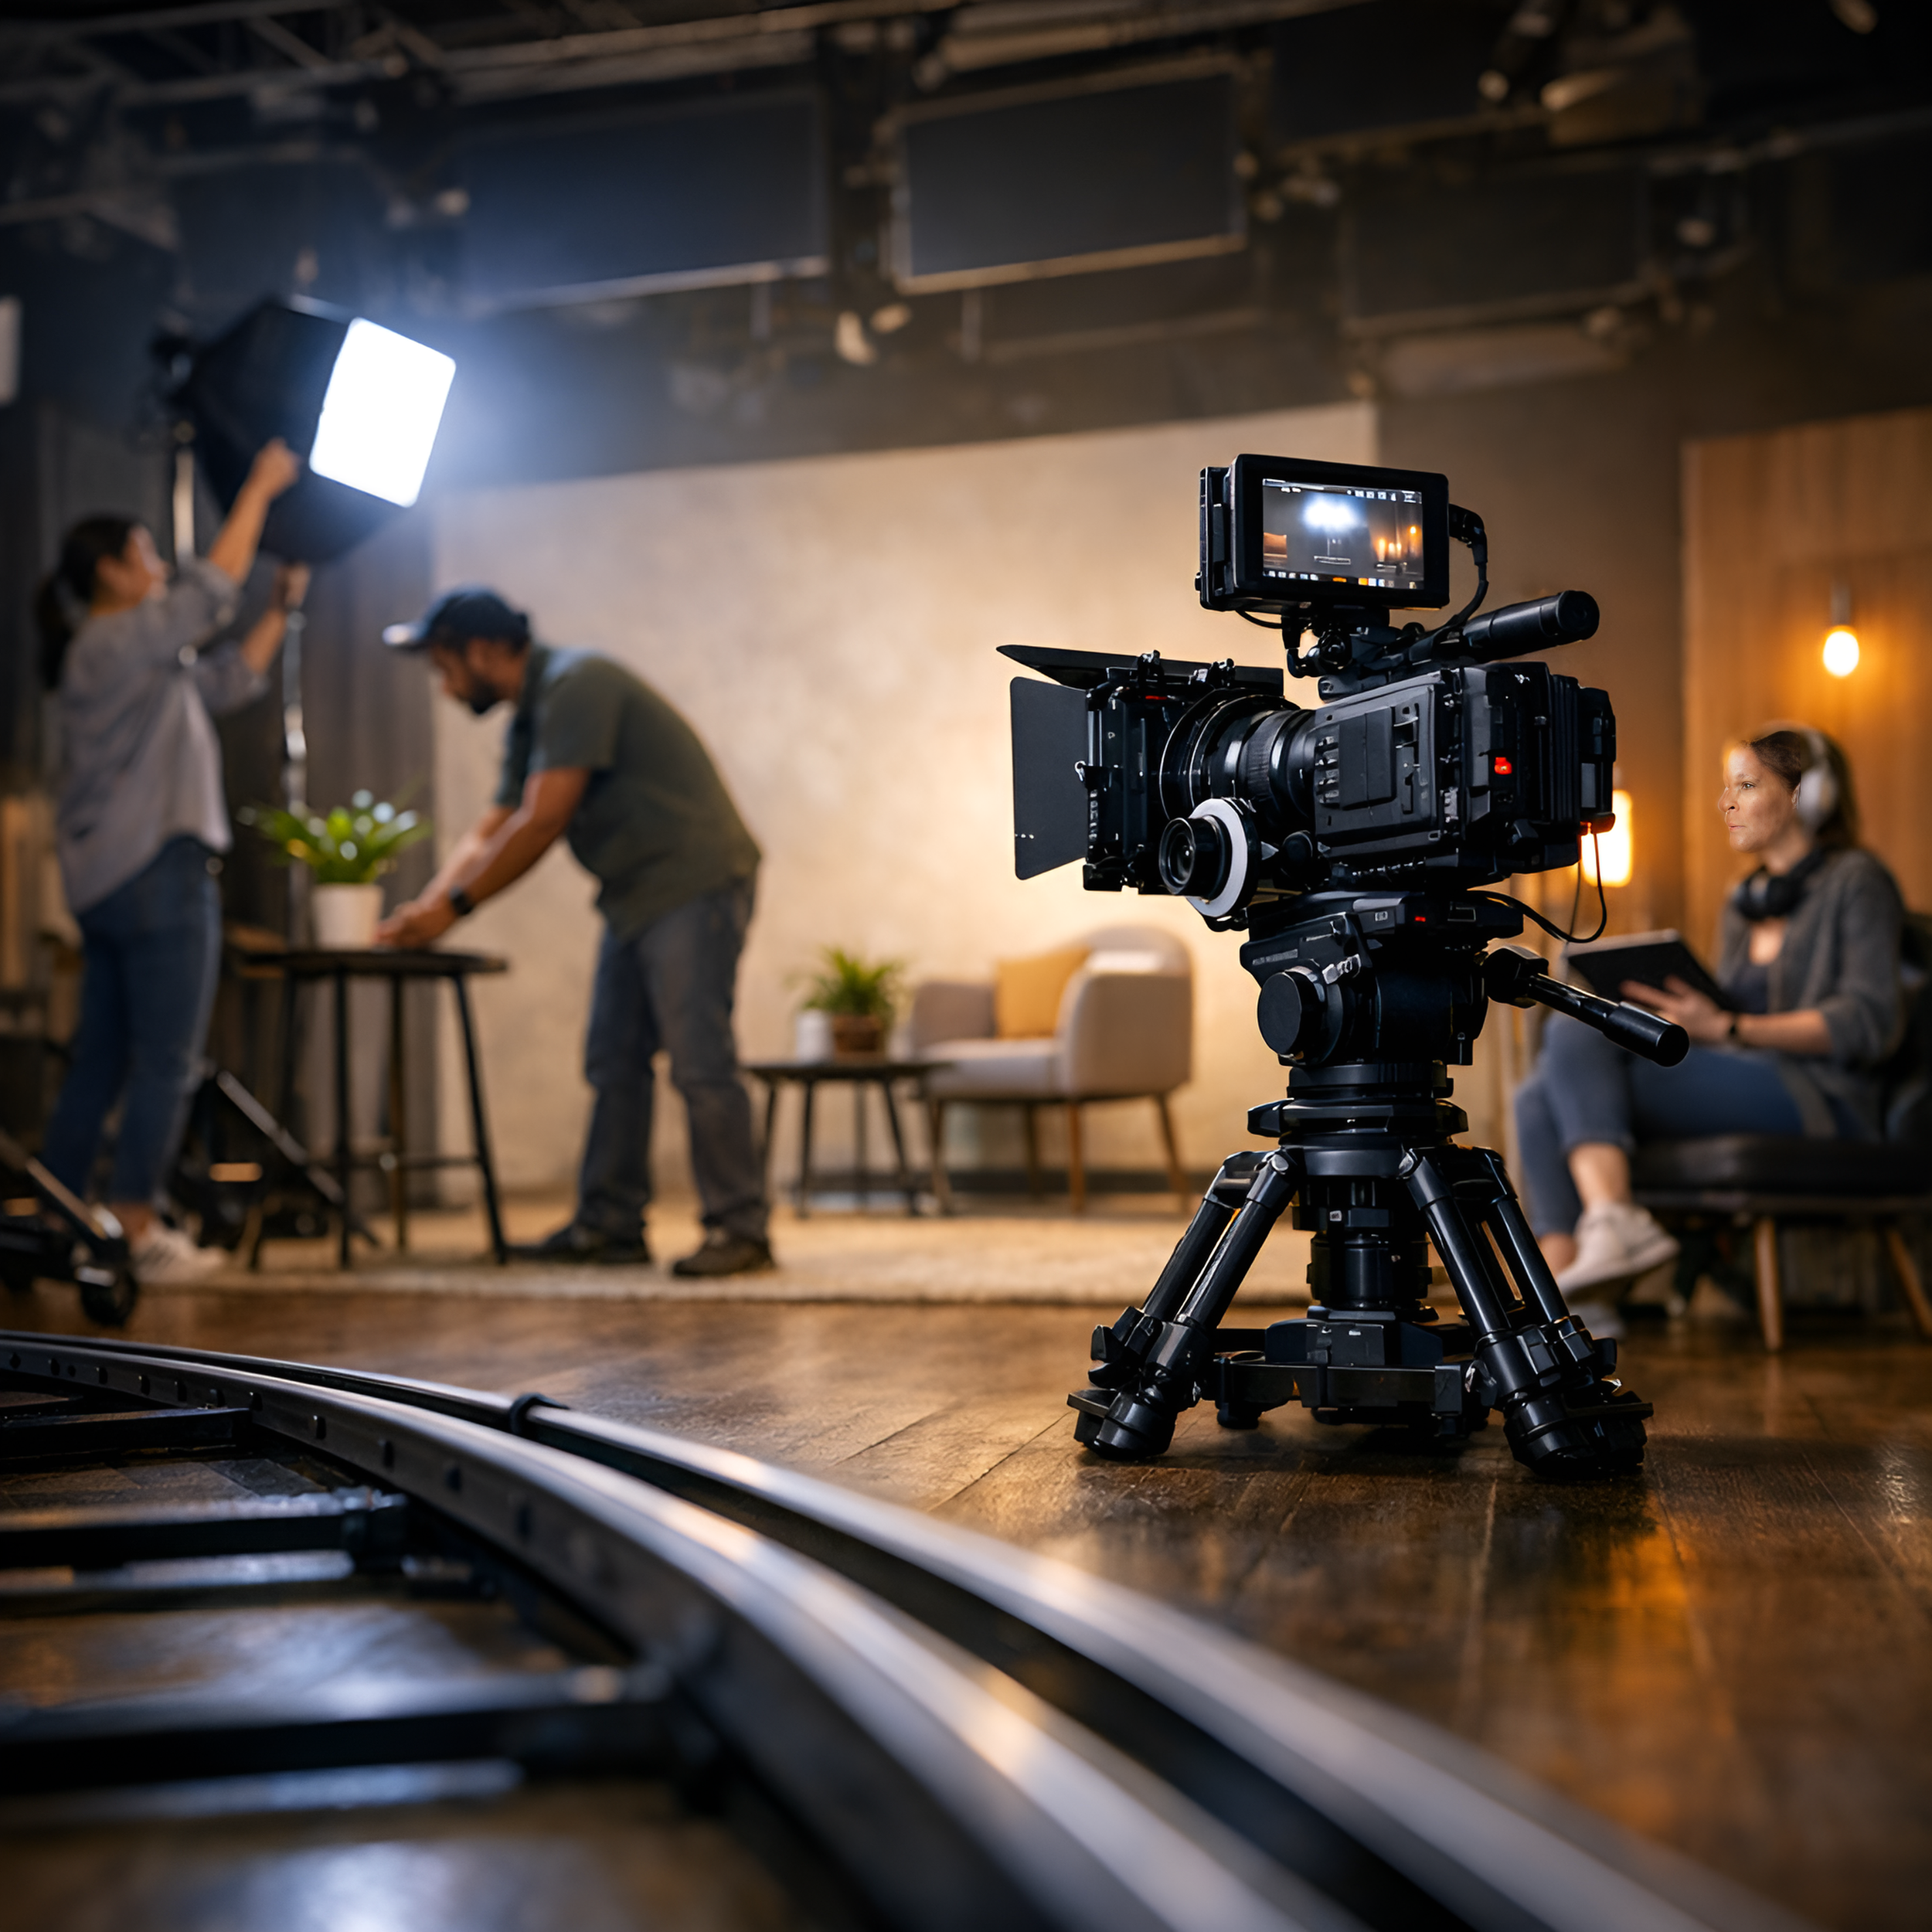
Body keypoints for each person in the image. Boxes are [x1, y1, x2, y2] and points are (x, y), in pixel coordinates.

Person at [376, 589, 773, 1277]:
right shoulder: (530, 717)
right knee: (612, 1057)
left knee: (699, 1059)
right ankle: (609, 1225)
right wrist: (428, 906)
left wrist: (455, 908)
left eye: (445, 667)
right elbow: (492, 827)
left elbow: (543, 818)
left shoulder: (577, 684)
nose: (444, 687)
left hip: (693, 879)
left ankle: (741, 1228)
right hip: (633, 894)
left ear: (482, 650)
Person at [1514, 725, 1903, 1332]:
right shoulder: (1744, 900)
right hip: (1746, 1074)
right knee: (1537, 1093)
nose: (1727, 803)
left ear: (1809, 794)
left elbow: (1868, 1022)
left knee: (1577, 1035)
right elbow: (1722, 1020)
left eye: (1746, 786)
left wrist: (1729, 1028)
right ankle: (1572, 1296)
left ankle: (1612, 1226)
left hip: (1823, 1094)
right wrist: (1690, 1021)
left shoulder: (1859, 883)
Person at [36, 439, 307, 1283]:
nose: (160, 567)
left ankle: (56, 1222)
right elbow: (208, 592)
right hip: (158, 872)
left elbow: (225, 682)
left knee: (105, 1057)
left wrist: (279, 612)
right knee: (167, 1058)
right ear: (112, 572)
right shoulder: (113, 642)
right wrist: (259, 488)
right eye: (147, 553)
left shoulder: (130, 661)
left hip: (110, 883)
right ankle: (137, 1223)